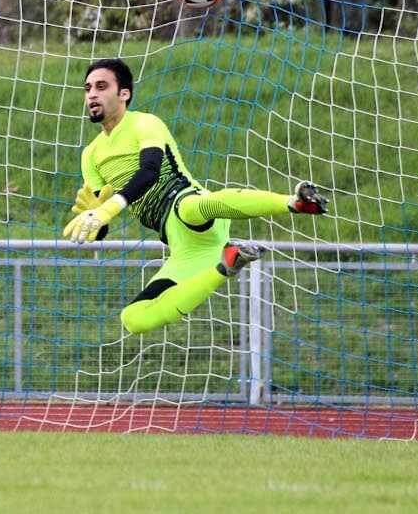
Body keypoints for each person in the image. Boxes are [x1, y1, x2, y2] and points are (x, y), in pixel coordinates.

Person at [68, 58, 328, 334]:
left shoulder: (144, 123)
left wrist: (108, 209)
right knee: (133, 319)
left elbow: (150, 170)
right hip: (184, 247)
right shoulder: (91, 155)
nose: (92, 94)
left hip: (185, 203)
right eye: (87, 89)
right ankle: (226, 265)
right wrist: (95, 222)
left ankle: (293, 202)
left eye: (101, 86)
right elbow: (100, 225)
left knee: (193, 207)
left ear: (124, 94)